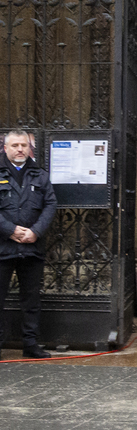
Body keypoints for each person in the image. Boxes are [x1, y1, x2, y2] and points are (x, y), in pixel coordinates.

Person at [0, 129, 56, 358]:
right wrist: (10, 230)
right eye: (15, 145)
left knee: (31, 299)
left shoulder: (40, 175)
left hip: (32, 247)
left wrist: (36, 231)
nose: (20, 149)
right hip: (2, 247)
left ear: (29, 148)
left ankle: (30, 344)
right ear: (5, 148)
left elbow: (50, 204)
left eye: (24, 145)